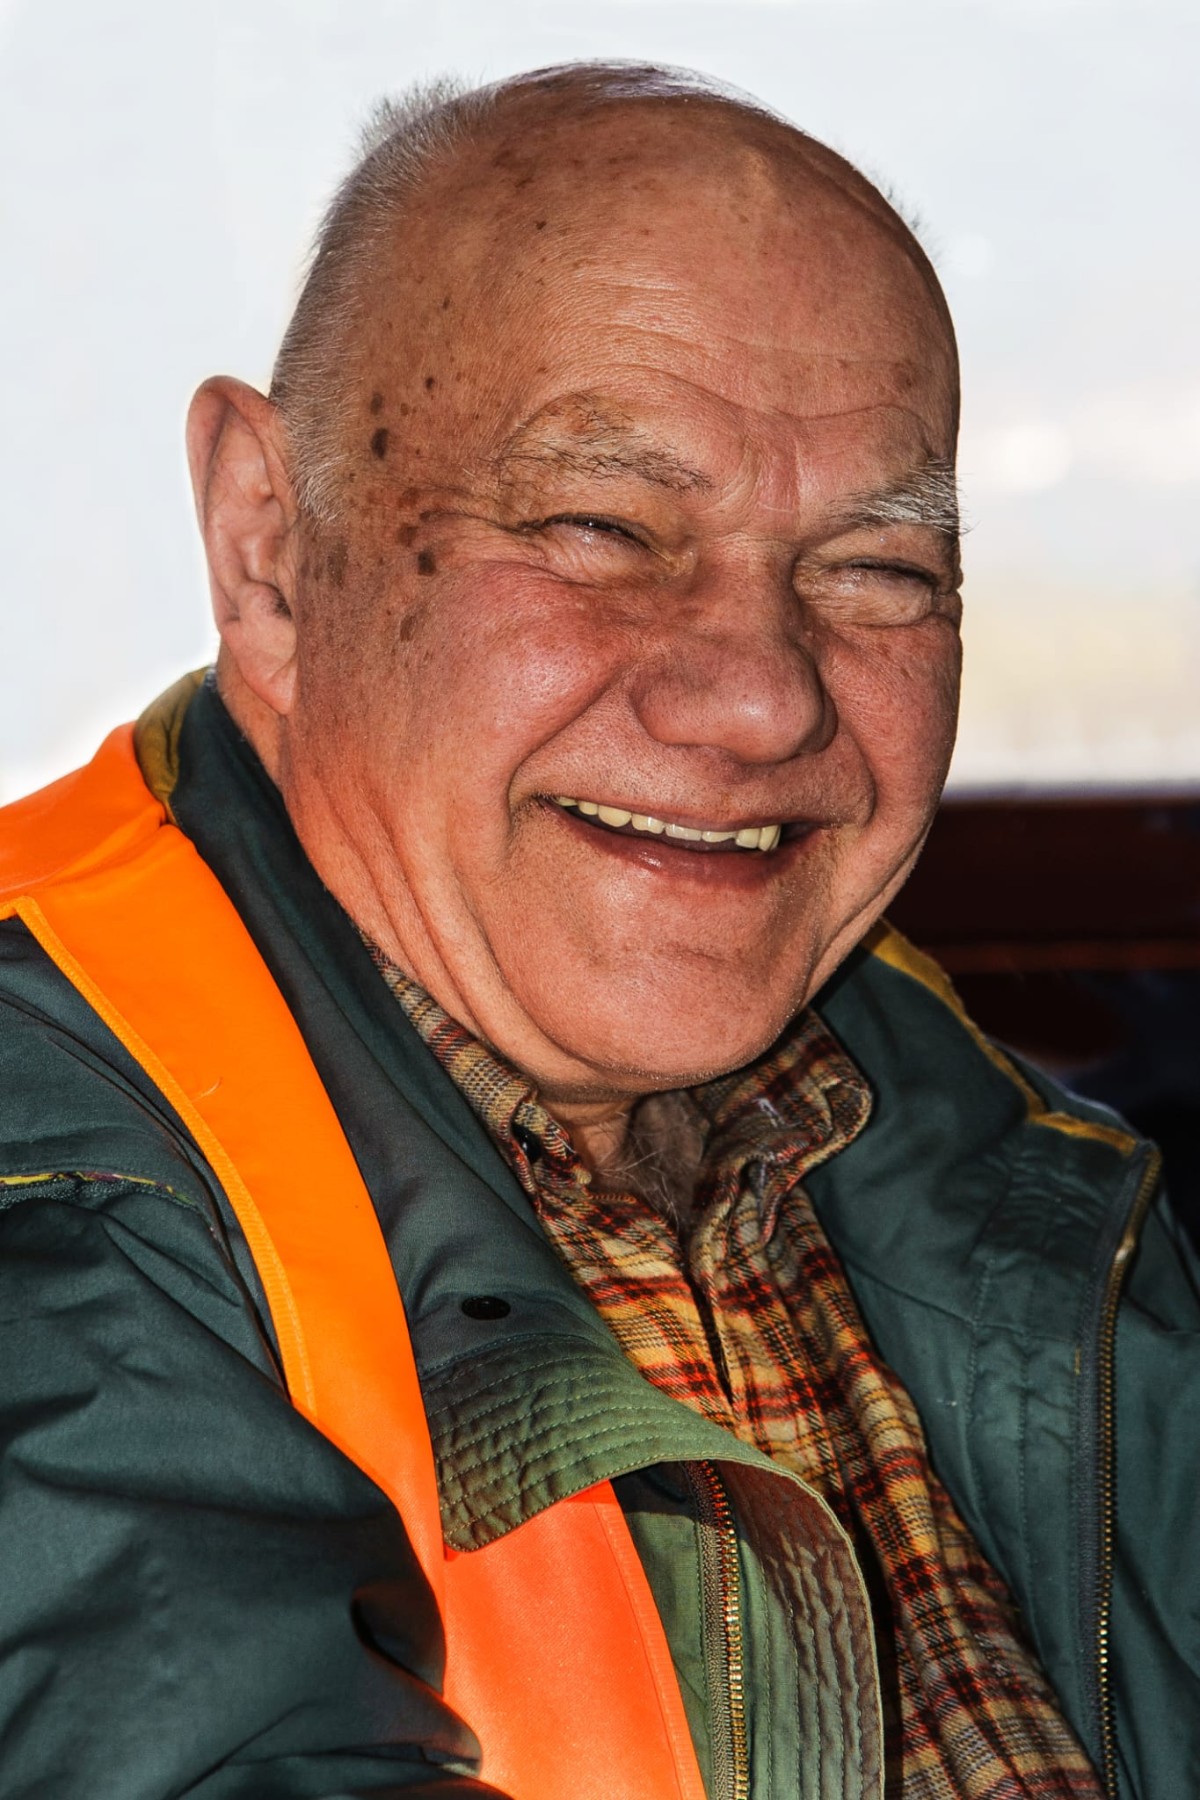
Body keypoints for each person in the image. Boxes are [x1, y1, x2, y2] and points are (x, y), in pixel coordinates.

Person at [0, 62, 1195, 1800]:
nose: (767, 699)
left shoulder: (951, 1122)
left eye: (877, 571)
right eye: (604, 530)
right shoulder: (50, 1187)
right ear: (268, 551)